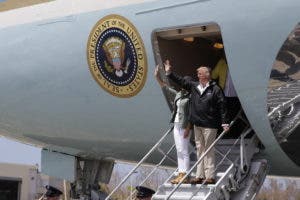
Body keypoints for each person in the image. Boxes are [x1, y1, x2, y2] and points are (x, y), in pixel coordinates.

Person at [165, 60, 229, 185]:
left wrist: (225, 122)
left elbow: (223, 106)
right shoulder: (195, 86)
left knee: (208, 149)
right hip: (198, 124)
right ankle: (199, 176)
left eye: (199, 73)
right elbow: (181, 81)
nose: (197, 75)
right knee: (200, 149)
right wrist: (169, 73)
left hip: (210, 125)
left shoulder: (215, 89)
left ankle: (209, 176)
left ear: (206, 75)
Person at [154, 66, 191, 184]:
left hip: (185, 125)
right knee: (179, 149)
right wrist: (157, 77)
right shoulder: (179, 94)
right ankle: (181, 173)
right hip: (176, 124)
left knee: (184, 150)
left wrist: (188, 128)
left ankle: (186, 174)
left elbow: (192, 114)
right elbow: (165, 87)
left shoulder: (192, 97)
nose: (182, 84)